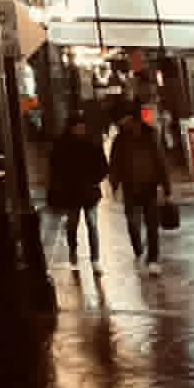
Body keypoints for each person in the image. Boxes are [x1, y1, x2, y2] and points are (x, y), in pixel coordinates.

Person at [108, 109, 172, 271]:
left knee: (152, 225)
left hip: (149, 185)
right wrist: (114, 185)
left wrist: (166, 188)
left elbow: (160, 161)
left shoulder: (151, 137)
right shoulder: (120, 140)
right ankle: (138, 248)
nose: (130, 124)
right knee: (132, 223)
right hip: (130, 187)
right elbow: (114, 164)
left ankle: (153, 259)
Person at [48, 113, 109, 272]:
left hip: (88, 191)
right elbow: (55, 168)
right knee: (72, 225)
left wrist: (94, 179)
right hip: (71, 192)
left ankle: (95, 259)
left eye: (82, 126)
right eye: (77, 127)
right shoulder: (62, 144)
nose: (80, 129)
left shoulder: (92, 143)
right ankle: (73, 254)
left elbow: (103, 166)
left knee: (92, 224)